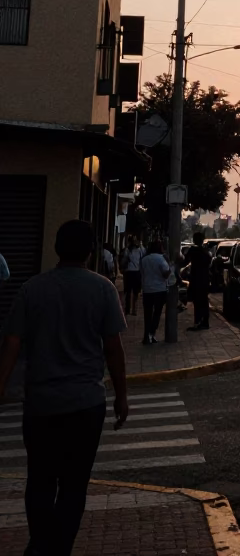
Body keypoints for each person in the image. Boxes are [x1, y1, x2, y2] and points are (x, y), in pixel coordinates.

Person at [0, 218, 128, 556]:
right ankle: (59, 548)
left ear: (57, 248)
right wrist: (122, 397)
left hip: (41, 403)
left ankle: (42, 544)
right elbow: (113, 348)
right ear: (90, 250)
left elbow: (11, 345)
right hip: (86, 404)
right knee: (74, 484)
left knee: (40, 479)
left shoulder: (32, 289)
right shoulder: (103, 289)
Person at [138, 241, 170, 345]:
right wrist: (172, 267)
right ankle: (151, 333)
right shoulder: (161, 259)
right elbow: (165, 274)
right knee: (157, 313)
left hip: (147, 289)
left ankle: (147, 335)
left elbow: (142, 273)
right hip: (159, 289)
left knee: (147, 314)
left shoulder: (144, 259)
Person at [182, 232, 212, 332]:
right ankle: (204, 322)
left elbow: (184, 262)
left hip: (196, 279)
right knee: (204, 301)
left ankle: (198, 322)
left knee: (197, 301)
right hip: (205, 278)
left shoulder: (193, 250)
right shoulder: (206, 251)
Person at [119, 235, 144, 315]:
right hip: (133, 272)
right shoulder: (130, 250)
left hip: (131, 272)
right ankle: (131, 309)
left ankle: (130, 309)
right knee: (131, 292)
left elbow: (123, 260)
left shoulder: (130, 250)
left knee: (131, 292)